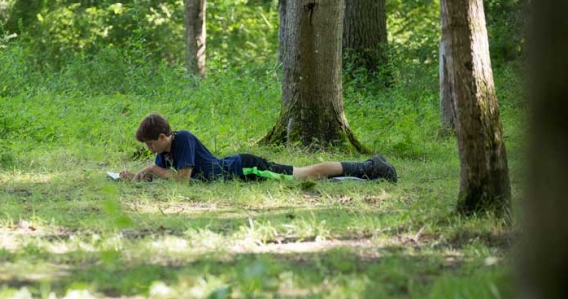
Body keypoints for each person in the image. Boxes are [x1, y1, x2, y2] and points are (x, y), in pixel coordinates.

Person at [119, 112, 397, 183]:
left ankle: (369, 167)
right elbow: (162, 176)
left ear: (164, 135)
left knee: (301, 175)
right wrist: (137, 178)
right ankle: (365, 169)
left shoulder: (185, 140)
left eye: (151, 143)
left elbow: (182, 182)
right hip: (238, 169)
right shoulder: (162, 152)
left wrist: (154, 169)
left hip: (246, 168)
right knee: (304, 178)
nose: (149, 149)